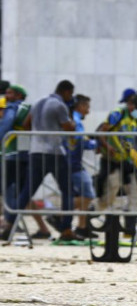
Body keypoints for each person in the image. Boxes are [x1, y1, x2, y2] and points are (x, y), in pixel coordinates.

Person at [2, 80, 77, 241]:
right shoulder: (59, 105)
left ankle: (9, 224)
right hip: (55, 152)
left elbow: (25, 124)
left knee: (26, 193)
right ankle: (66, 229)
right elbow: (69, 129)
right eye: (70, 94)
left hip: (36, 151)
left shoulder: (37, 102)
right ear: (66, 92)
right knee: (67, 190)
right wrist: (71, 119)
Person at [96, 94, 137, 237]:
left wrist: (133, 152)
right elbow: (101, 132)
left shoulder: (134, 120)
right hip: (111, 161)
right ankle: (90, 214)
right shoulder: (117, 114)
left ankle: (129, 231)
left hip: (125, 162)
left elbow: (127, 140)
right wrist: (108, 147)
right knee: (109, 195)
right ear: (131, 105)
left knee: (136, 194)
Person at [66, 94, 97, 239]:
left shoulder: (72, 118)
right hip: (73, 163)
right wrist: (97, 144)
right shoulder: (76, 120)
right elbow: (80, 141)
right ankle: (60, 213)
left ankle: (82, 226)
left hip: (72, 162)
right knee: (88, 194)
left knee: (81, 194)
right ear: (81, 106)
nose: (88, 111)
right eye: (87, 107)